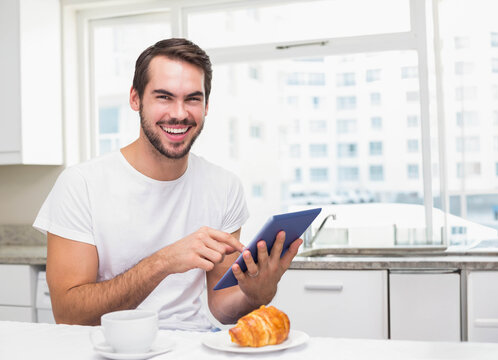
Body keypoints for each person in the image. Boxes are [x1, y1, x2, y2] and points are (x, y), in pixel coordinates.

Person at [33, 38, 303, 330]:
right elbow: (69, 314)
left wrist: (255, 294)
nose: (179, 113)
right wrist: (162, 262)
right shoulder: (80, 185)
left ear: (206, 105)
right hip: (113, 347)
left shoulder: (224, 187)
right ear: (136, 99)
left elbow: (223, 308)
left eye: (192, 99)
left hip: (192, 343)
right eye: (164, 97)